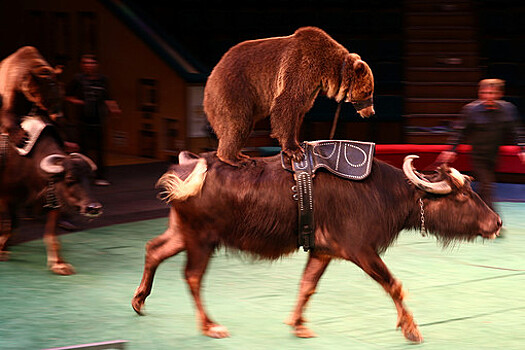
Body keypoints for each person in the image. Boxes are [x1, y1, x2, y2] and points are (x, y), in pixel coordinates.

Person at [437, 79, 525, 210]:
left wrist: (522, 148)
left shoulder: (508, 109)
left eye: (492, 93)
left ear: (499, 94)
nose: (488, 96)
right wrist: (451, 149)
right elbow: (459, 131)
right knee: (487, 186)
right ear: (480, 93)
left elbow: (516, 130)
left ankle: (472, 213)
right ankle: (493, 221)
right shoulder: (471, 110)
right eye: (485, 93)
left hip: (494, 155)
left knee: (484, 188)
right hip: (478, 156)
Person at [65, 54, 120, 186]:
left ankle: (100, 176)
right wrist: (80, 102)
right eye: (86, 63)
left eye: (91, 63)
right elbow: (67, 96)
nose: (89, 65)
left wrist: (114, 108)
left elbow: (108, 97)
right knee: (82, 150)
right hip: (82, 120)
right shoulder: (77, 79)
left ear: (96, 65)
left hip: (99, 119)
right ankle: (83, 176)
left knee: (100, 150)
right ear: (82, 65)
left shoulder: (102, 80)